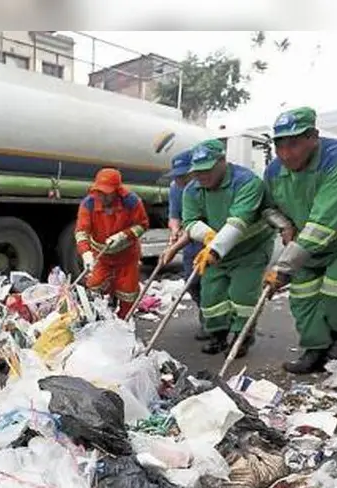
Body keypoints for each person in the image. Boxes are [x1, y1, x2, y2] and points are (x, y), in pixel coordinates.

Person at [261, 107, 337, 374]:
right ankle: (315, 350)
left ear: (313, 137)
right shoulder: (274, 171)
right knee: (303, 295)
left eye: (293, 144)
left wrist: (282, 269)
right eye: (279, 145)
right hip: (309, 240)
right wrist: (284, 225)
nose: (286, 154)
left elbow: (324, 221)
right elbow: (268, 207)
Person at [181, 139, 275, 357]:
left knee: (242, 296)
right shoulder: (192, 189)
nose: (202, 176)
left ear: (222, 161)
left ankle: (243, 337)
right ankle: (218, 335)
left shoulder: (247, 183)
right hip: (215, 251)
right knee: (212, 295)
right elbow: (190, 222)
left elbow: (238, 222)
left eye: (208, 170)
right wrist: (209, 237)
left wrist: (214, 248)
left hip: (250, 250)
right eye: (197, 171)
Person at [74, 167, 150, 319]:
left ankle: (123, 323)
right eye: (99, 192)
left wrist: (124, 235)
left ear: (117, 191)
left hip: (127, 256)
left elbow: (143, 225)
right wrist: (86, 254)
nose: (102, 196)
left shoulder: (131, 201)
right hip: (100, 257)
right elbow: (81, 231)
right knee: (94, 285)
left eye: (106, 193)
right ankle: (100, 319)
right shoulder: (88, 203)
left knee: (128, 291)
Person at [159, 149, 209, 340]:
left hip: (208, 240)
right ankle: (208, 315)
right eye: (177, 176)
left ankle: (211, 324)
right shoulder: (175, 188)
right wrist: (174, 231)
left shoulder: (204, 186)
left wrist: (174, 247)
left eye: (183, 176)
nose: (180, 180)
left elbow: (197, 224)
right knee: (192, 283)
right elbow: (174, 216)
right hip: (190, 244)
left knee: (210, 284)